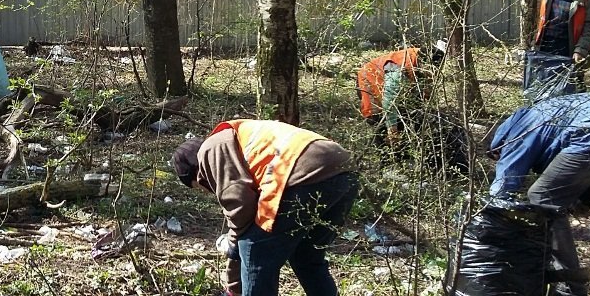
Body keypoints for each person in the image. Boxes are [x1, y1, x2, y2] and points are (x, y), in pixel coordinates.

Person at [488, 92, 590, 296]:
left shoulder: (514, 137)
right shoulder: (539, 115)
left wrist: (489, 223)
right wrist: (583, 199)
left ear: (498, 147)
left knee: (541, 197)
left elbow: (503, 188)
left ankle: (571, 287)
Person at [172, 119, 358, 296]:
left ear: (197, 174)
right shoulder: (238, 136)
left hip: (303, 172)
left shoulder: (211, 148)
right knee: (306, 257)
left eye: (199, 187)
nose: (207, 191)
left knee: (254, 251)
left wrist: (232, 254)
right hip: (344, 169)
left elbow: (240, 205)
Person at [355, 42, 445, 143]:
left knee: (409, 111)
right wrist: (392, 130)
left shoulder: (425, 57)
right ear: (424, 64)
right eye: (431, 71)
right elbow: (390, 100)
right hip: (369, 77)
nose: (433, 74)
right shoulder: (397, 68)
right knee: (377, 118)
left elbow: (425, 88)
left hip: (390, 80)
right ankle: (380, 146)